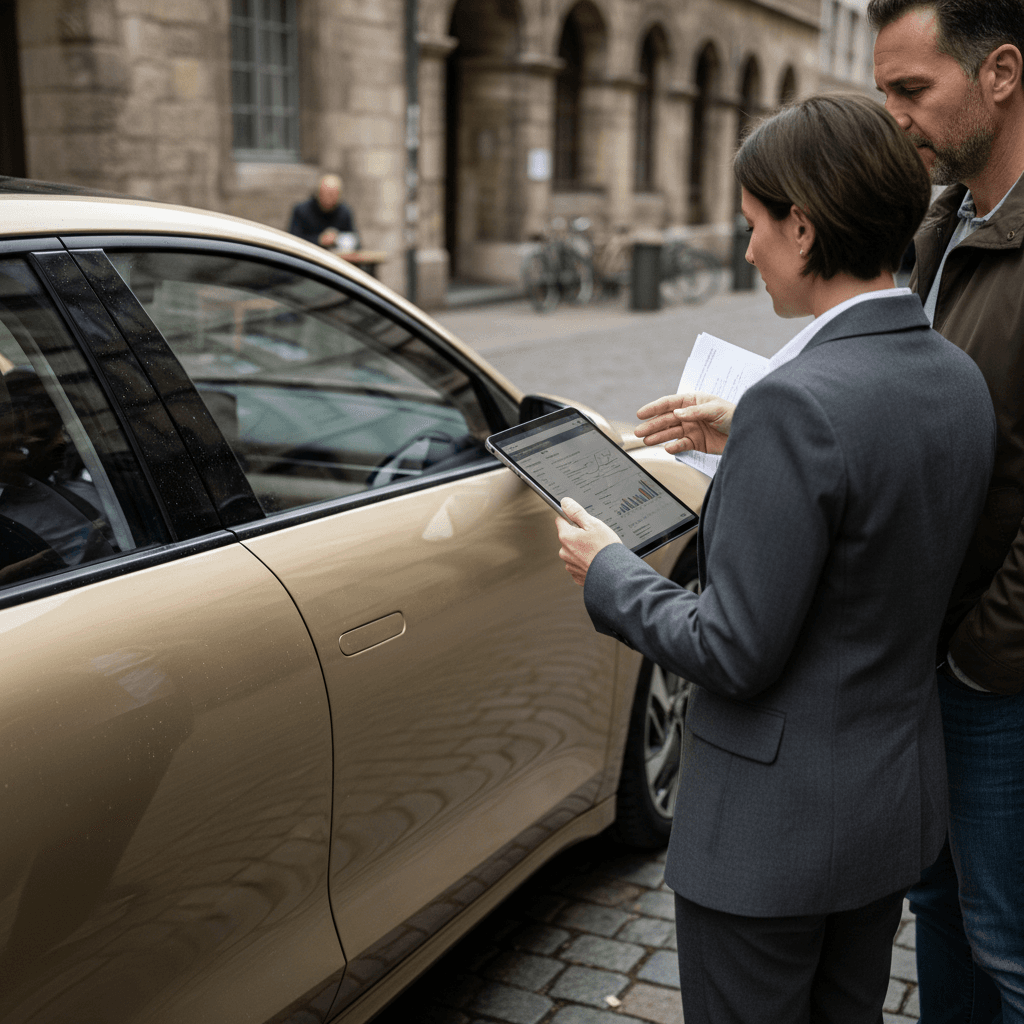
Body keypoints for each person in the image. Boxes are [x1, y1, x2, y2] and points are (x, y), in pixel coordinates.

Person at [554, 94, 997, 1024]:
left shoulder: (796, 406)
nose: (747, 249)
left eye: (754, 225)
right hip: (886, 810)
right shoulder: (957, 376)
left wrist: (608, 569)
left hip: (769, 834)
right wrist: (752, 439)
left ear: (803, 225)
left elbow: (730, 648)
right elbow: (885, 538)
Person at [867, 1, 1024, 1020]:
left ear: (1001, 73)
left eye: (910, 90)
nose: (893, 118)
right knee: (940, 913)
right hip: (923, 652)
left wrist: (982, 652)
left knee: (1009, 944)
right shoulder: (939, 221)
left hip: (997, 676)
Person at [288, 173, 358, 250]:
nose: (328, 198)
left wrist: (339, 239)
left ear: (339, 195)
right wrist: (319, 240)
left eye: (332, 194)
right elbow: (293, 240)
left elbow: (356, 242)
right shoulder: (302, 210)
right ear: (318, 193)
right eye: (325, 194)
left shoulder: (344, 212)